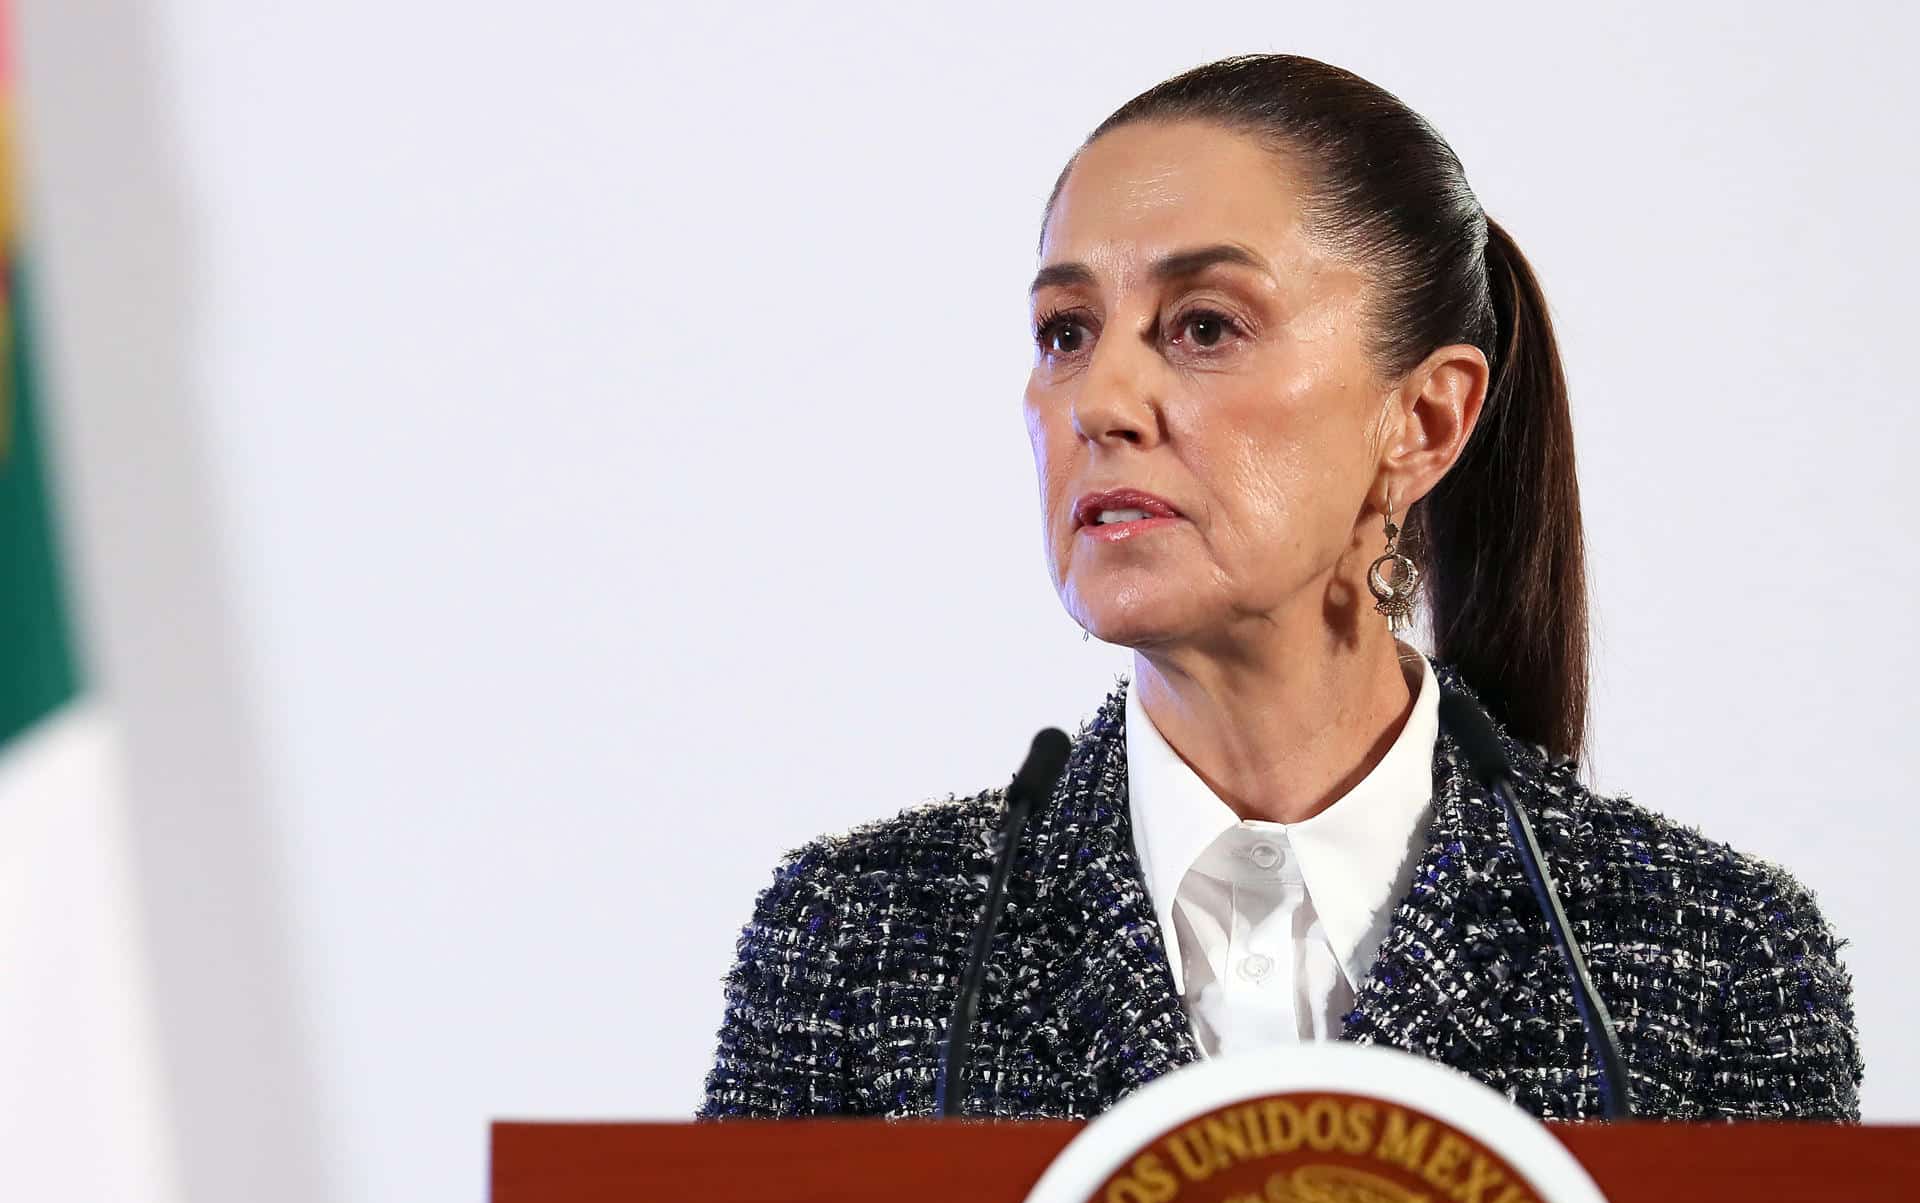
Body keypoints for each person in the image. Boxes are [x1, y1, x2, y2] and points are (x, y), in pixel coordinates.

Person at [697, 54, 1862, 1123]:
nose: (1099, 401)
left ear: (1423, 419)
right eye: (1064, 332)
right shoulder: (856, 940)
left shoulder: (1710, 960)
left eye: (1203, 325)